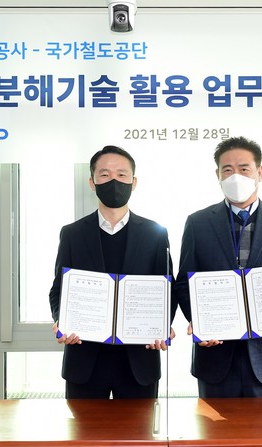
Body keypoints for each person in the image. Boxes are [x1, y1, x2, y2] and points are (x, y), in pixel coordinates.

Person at [175, 136, 262, 398]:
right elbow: (184, 283)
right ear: (217, 175)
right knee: (214, 426)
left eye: (244, 169)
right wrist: (201, 322)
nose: (235, 176)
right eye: (227, 170)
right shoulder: (198, 223)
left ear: (259, 172)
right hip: (215, 358)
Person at [49, 145, 174, 399]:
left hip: (140, 360)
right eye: (104, 175)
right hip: (84, 360)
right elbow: (58, 289)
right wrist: (62, 320)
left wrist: (162, 326)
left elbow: (166, 291)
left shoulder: (156, 234)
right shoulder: (72, 234)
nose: (113, 181)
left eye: (121, 174)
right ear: (92, 183)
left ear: (133, 182)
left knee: (141, 426)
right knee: (83, 426)